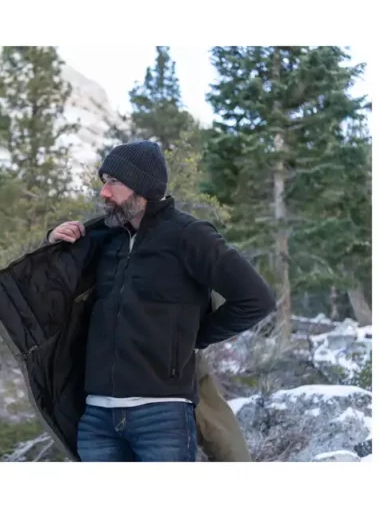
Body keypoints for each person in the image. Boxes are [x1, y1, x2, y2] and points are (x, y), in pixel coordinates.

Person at [48, 140, 275, 461]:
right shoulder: (106, 236)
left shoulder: (189, 235)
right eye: (104, 181)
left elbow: (256, 299)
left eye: (114, 182)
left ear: (143, 187)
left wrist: (192, 338)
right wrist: (54, 239)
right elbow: (53, 282)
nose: (104, 192)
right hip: (98, 418)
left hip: (161, 416)